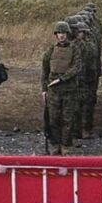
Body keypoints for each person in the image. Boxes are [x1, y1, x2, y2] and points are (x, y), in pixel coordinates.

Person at [40, 22, 84, 155]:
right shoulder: (51, 49)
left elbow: (77, 67)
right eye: (59, 33)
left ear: (67, 34)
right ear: (56, 35)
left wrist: (62, 78)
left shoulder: (75, 48)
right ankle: (55, 143)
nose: (62, 36)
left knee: (68, 119)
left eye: (64, 33)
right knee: (53, 119)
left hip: (69, 90)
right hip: (53, 91)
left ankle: (66, 144)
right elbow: (45, 70)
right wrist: (44, 89)